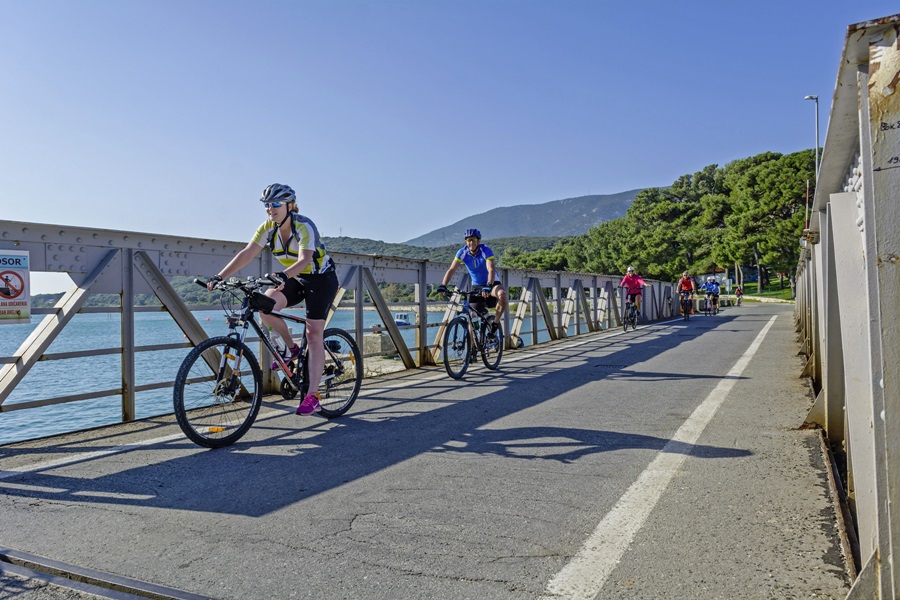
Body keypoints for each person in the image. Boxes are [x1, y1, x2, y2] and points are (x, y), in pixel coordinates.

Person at [207, 183, 338, 416]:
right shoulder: (268, 228)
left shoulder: (304, 225)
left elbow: (305, 260)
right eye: (267, 205)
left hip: (321, 279)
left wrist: (283, 275)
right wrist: (219, 276)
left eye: (276, 204)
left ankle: (313, 395)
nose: (270, 209)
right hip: (295, 278)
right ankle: (291, 349)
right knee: (265, 306)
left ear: (290, 205)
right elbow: (247, 253)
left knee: (314, 333)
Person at [436, 228, 508, 331]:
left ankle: (495, 324)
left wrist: (488, 284)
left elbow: (491, 268)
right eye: (468, 240)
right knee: (472, 317)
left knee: (503, 295)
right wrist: (443, 285)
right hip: (476, 285)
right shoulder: (462, 252)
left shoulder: (486, 250)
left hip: (491, 282)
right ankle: (474, 345)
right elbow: (452, 269)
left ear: (478, 241)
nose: (471, 243)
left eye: (473, 240)